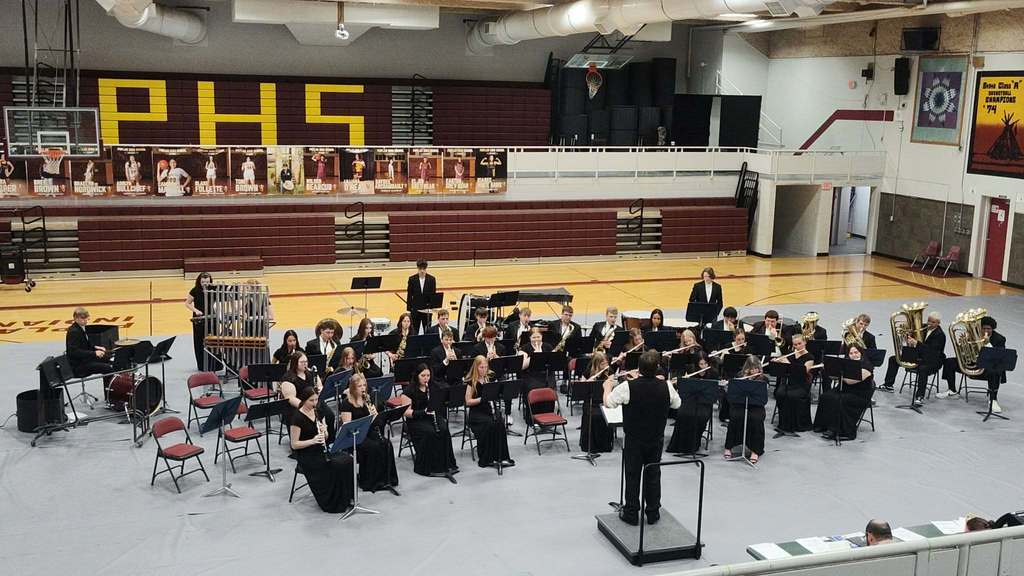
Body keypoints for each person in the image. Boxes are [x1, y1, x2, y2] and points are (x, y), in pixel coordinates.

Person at [603, 349, 681, 526]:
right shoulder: (666, 386)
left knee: (633, 474)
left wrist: (607, 388)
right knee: (653, 473)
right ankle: (653, 512)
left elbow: (609, 403)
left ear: (638, 368)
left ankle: (631, 512)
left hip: (634, 439)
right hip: (656, 438)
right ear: (657, 369)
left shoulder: (627, 387)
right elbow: (677, 403)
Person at [288, 386, 354, 513]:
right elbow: (294, 444)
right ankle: (332, 502)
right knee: (335, 465)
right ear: (304, 400)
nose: (314, 403)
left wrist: (325, 432)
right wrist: (312, 441)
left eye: (316, 400)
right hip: (306, 454)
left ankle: (345, 497)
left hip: (320, 449)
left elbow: (326, 436)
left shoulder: (318, 412)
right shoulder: (297, 418)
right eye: (311, 401)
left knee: (347, 460)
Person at [339, 373, 399, 494]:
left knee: (386, 444)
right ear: (353, 388)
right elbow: (347, 426)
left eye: (364, 385)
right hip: (355, 435)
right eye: (359, 386)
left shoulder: (367, 399)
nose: (362, 388)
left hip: (368, 431)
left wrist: (374, 414)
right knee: (373, 447)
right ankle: (370, 481)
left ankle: (386, 479)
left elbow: (375, 422)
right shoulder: (346, 403)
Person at [399, 364, 458, 481]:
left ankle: (446, 464)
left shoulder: (432, 387)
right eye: (423, 376)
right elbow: (406, 412)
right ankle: (429, 466)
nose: (426, 378)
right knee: (430, 433)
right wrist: (423, 412)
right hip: (416, 420)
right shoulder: (408, 391)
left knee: (444, 429)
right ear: (417, 376)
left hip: (430, 416)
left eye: (428, 375)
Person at [941, 315, 1006, 411]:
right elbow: (964, 353)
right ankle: (952, 390)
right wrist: (963, 344)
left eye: (989, 329)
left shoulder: (999, 339)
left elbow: (998, 357)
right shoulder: (973, 335)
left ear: (993, 329)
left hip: (988, 367)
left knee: (996, 372)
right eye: (983, 328)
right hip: (973, 364)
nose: (986, 331)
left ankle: (993, 400)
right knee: (949, 362)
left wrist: (987, 343)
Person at [813, 343, 875, 440]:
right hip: (844, 389)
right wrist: (828, 369)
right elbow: (836, 377)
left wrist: (838, 374)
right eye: (851, 353)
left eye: (856, 352)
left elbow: (852, 381)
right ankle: (822, 425)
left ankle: (835, 430)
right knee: (825, 396)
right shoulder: (845, 363)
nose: (854, 355)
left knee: (839, 400)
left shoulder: (867, 365)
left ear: (861, 353)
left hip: (859, 395)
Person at [881, 311, 945, 403]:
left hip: (932, 360)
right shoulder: (923, 327)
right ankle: (888, 385)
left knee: (923, 369)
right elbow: (911, 335)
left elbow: (931, 352)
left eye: (933, 322)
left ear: (938, 323)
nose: (929, 323)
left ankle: (919, 396)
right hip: (918, 355)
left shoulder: (940, 335)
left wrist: (916, 343)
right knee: (893, 359)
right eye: (929, 321)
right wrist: (907, 334)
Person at [465, 355, 514, 468]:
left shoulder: (490, 378)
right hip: (477, 413)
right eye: (481, 367)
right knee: (489, 425)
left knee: (500, 423)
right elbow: (468, 401)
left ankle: (501, 456)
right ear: (476, 367)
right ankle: (487, 458)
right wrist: (482, 399)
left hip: (489, 410)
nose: (484, 370)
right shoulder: (470, 382)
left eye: (486, 367)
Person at [667, 352, 719, 456]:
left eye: (705, 364)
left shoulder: (713, 372)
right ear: (696, 364)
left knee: (700, 416)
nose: (703, 366)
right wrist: (682, 381)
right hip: (690, 400)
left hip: (705, 402)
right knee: (682, 414)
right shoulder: (691, 370)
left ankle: (693, 445)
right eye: (701, 364)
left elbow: (714, 392)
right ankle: (680, 445)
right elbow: (682, 389)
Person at [725, 356, 767, 463]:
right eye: (751, 368)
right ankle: (729, 447)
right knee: (735, 416)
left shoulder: (763, 379)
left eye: (756, 368)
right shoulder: (740, 376)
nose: (754, 371)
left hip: (756, 406)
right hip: (740, 404)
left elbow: (763, 399)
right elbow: (732, 394)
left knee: (756, 419)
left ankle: (755, 450)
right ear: (746, 368)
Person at [772, 333, 814, 437]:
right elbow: (783, 371)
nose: (797, 346)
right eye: (795, 345)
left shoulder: (810, 357)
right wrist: (777, 363)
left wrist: (787, 363)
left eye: (799, 343)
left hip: (801, 385)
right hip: (788, 383)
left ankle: (793, 425)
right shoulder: (790, 354)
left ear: (804, 342)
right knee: (780, 393)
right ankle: (783, 423)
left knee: (791, 396)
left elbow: (803, 373)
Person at [185, 272, 222, 371]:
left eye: (207, 282)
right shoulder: (195, 290)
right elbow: (187, 303)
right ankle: (202, 365)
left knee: (213, 340)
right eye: (203, 282)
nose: (205, 284)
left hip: (212, 317)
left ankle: (216, 365)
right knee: (200, 341)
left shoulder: (212, 289)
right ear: (199, 281)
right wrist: (196, 311)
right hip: (199, 319)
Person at [65, 307, 113, 381]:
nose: (86, 321)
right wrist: (94, 353)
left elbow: (84, 345)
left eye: (87, 319)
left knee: (109, 357)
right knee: (107, 368)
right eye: (83, 319)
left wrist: (96, 348)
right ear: (75, 318)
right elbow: (74, 352)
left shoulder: (81, 327)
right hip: (78, 365)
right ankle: (110, 390)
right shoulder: (73, 332)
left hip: (86, 359)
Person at [580, 352, 615, 453]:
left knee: (602, 414)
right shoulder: (588, 371)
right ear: (596, 364)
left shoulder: (609, 371)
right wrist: (590, 381)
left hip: (604, 400)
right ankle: (590, 445)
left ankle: (605, 445)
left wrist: (609, 379)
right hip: (591, 400)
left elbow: (610, 387)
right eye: (602, 364)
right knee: (592, 414)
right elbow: (582, 388)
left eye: (606, 363)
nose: (605, 365)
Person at [406, 259, 438, 335]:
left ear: (426, 269)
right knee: (414, 331)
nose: (422, 271)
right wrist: (409, 309)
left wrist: (433, 307)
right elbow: (409, 294)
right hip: (415, 310)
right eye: (420, 269)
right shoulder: (412, 279)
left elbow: (433, 294)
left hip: (427, 310)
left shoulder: (432, 279)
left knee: (427, 331)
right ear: (418, 268)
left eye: (424, 269)